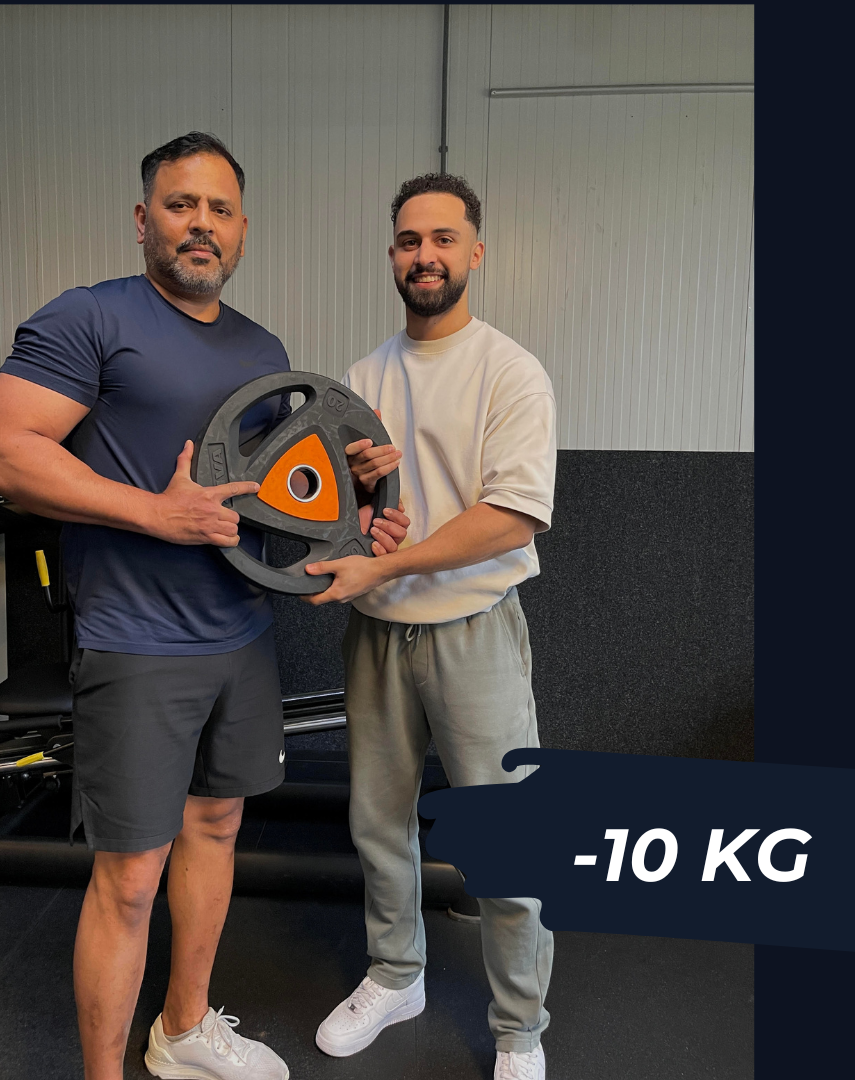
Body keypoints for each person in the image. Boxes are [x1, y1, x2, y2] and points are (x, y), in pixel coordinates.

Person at [0, 131, 408, 1080]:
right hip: (136, 639)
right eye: (181, 205)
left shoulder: (263, 350)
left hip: (241, 631)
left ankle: (182, 1031)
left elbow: (268, 502)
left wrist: (360, 496)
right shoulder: (89, 317)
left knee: (216, 830)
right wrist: (153, 514)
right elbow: (3, 451)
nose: (200, 224)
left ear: (242, 229)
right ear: (144, 220)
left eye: (219, 209)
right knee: (130, 876)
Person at [304, 173, 557, 1080]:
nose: (426, 255)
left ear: (474, 252)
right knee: (378, 824)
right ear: (392, 255)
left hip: (473, 631)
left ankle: (519, 1030)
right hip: (378, 634)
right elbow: (344, 518)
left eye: (444, 239)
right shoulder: (363, 378)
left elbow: (511, 518)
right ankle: (395, 975)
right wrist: (361, 505)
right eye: (411, 240)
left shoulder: (510, 371)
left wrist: (387, 562)